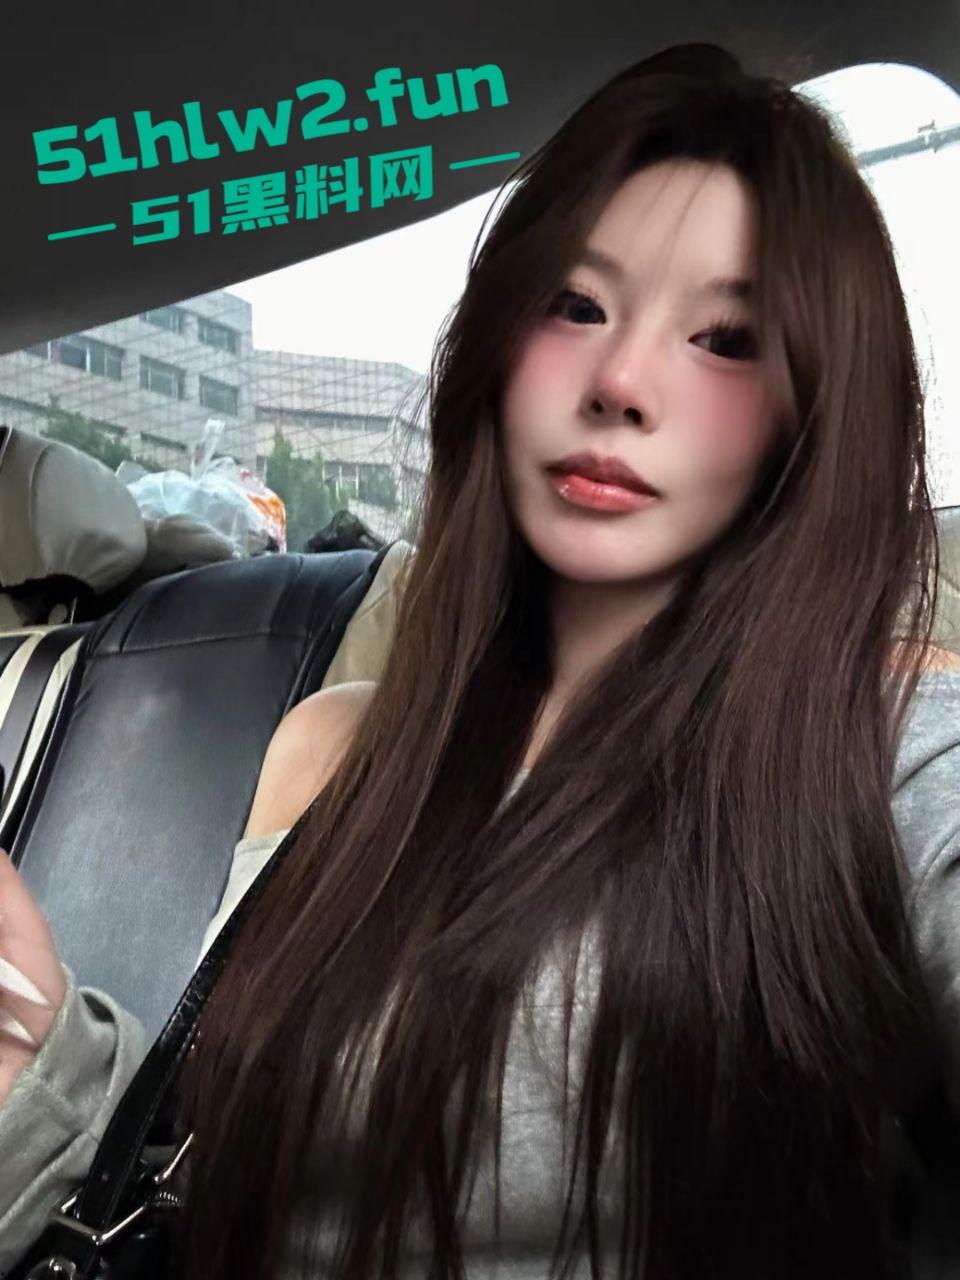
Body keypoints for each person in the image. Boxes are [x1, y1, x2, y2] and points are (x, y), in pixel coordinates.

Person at [2, 41, 960, 1280]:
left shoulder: (881, 741)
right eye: (578, 305)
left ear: (810, 416)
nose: (621, 381)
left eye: (725, 336)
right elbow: (221, 1177)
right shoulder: (335, 748)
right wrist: (44, 1070)